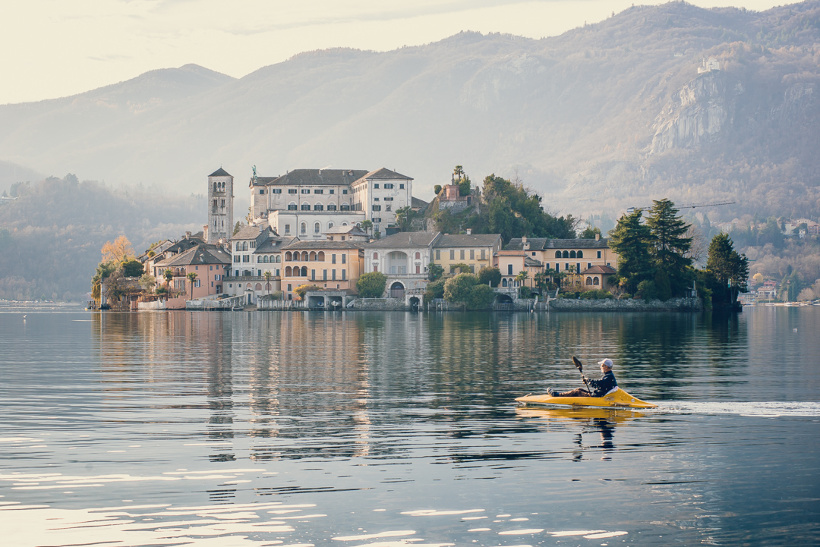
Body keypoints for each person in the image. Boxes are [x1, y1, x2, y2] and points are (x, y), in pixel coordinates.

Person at [549, 358, 618, 397]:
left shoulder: (609, 376)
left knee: (577, 392)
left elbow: (599, 384)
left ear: (606, 367)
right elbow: (599, 385)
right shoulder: (609, 375)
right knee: (579, 389)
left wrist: (588, 381)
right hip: (599, 394)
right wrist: (588, 381)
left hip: (598, 397)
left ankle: (556, 395)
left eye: (602, 366)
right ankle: (559, 394)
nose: (600, 367)